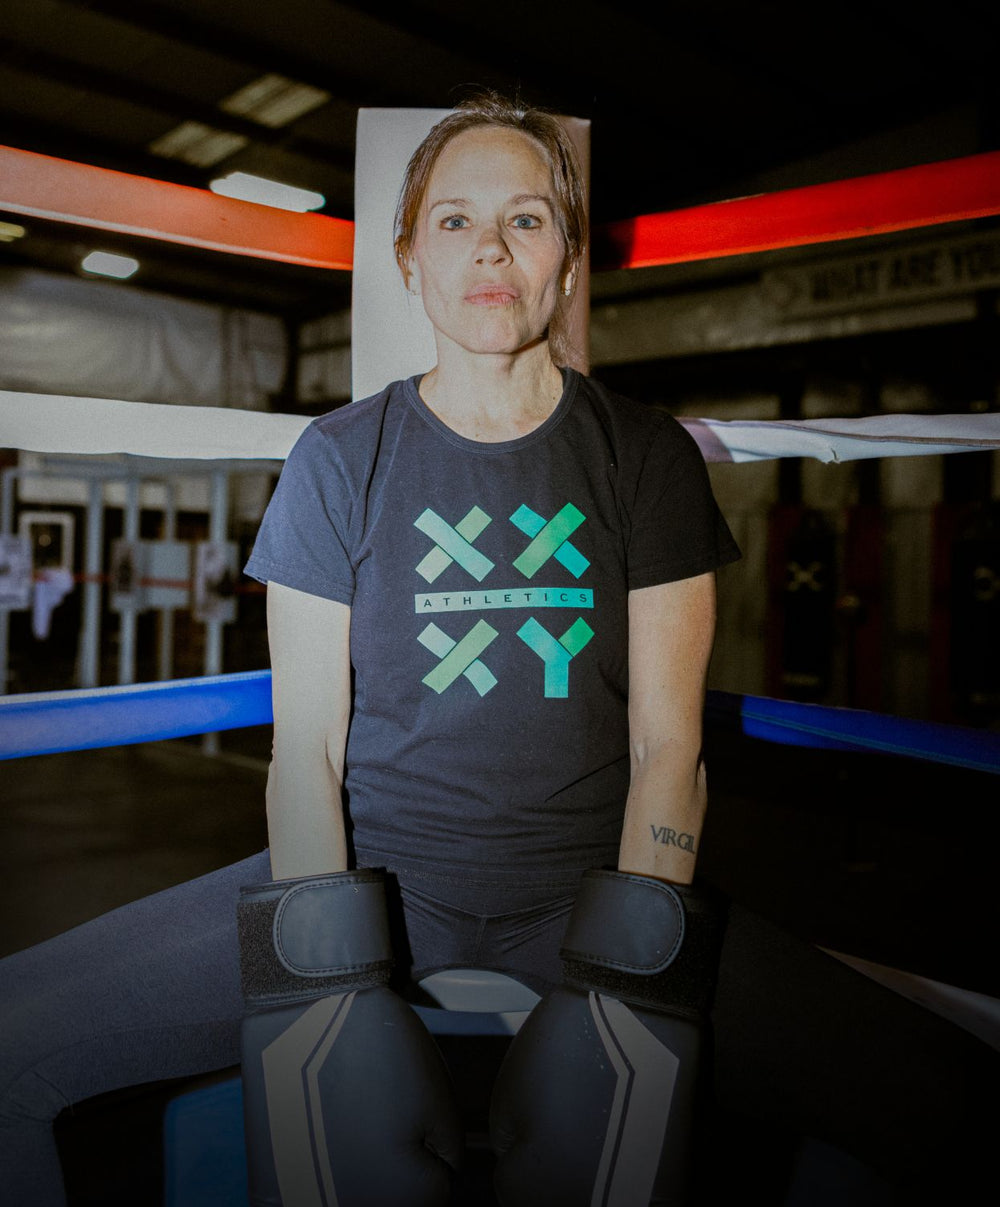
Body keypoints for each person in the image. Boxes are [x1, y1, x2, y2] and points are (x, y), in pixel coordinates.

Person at [0, 91, 993, 1207]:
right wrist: (322, 978)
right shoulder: (340, 457)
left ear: (567, 260)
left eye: (526, 219)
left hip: (588, 879)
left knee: (949, 1102)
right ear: (408, 256)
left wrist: (630, 968)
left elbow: (670, 746)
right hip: (376, 873)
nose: (490, 247)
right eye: (456, 220)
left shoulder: (643, 456)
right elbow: (308, 746)